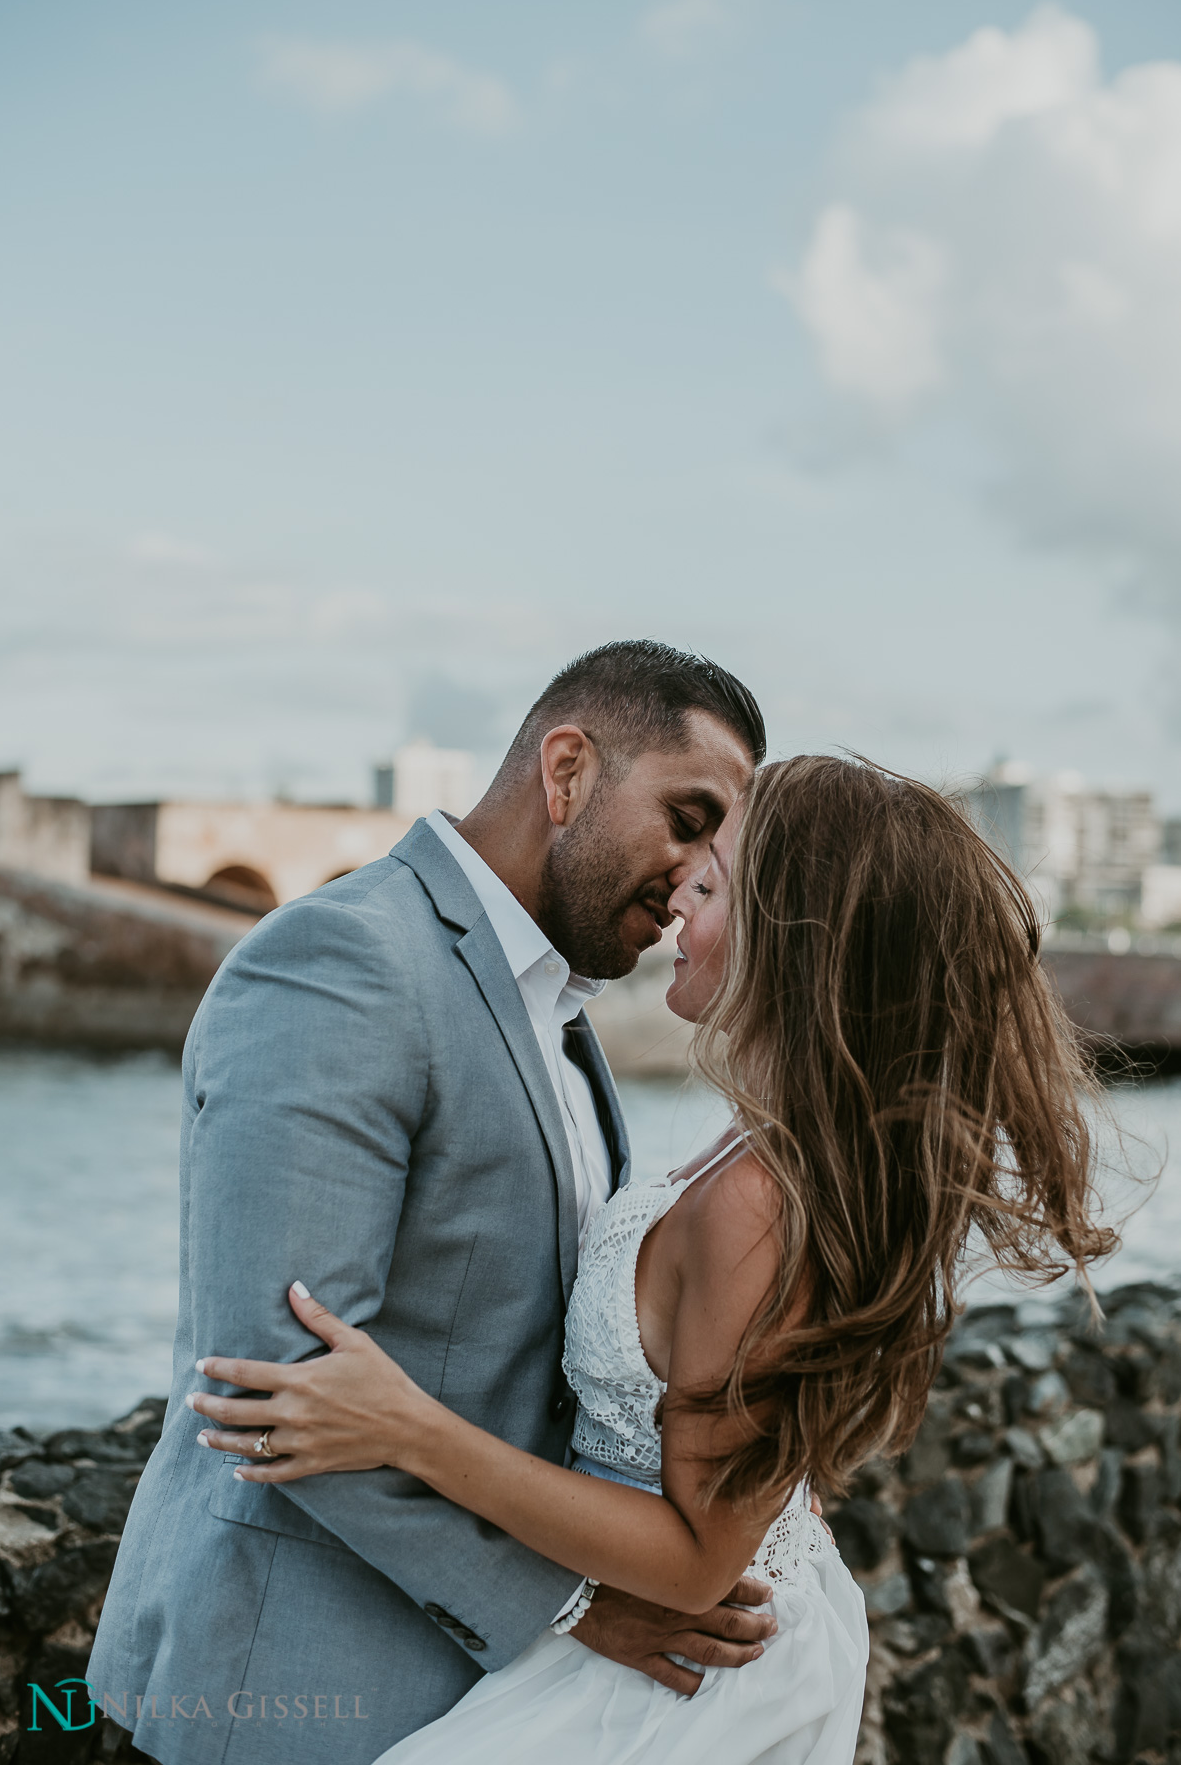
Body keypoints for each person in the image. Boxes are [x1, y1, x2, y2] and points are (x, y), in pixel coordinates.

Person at [190, 754, 1116, 1763]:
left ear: (791, 945)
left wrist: (410, 1428)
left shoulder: (759, 1198)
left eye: (710, 884)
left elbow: (691, 1567)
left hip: (684, 1672)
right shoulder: (754, 1144)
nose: (678, 895)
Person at [87, 640, 774, 1765]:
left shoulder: (553, 1006)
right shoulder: (344, 963)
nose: (698, 872)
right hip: (283, 1686)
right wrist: (573, 1606)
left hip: (478, 1705)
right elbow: (276, 1387)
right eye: (686, 817)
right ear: (566, 772)